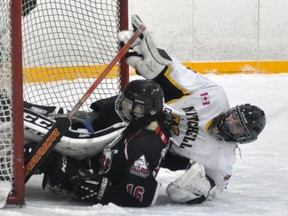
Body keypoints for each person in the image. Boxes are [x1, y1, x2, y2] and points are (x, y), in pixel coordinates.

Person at [117, 15, 266, 204]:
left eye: (237, 127)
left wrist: (203, 189)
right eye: (233, 117)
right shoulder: (214, 95)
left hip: (158, 147)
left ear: (242, 139)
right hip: (148, 113)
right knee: (142, 96)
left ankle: (123, 176)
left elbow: (217, 187)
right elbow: (177, 73)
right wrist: (159, 67)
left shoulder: (222, 159)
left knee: (150, 137)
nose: (230, 122)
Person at [24, 79, 171, 207]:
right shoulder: (149, 122)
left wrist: (101, 189)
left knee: (34, 150)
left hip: (90, 178)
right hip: (96, 162)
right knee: (59, 122)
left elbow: (142, 197)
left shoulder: (142, 146)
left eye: (128, 104)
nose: (122, 106)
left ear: (141, 109)